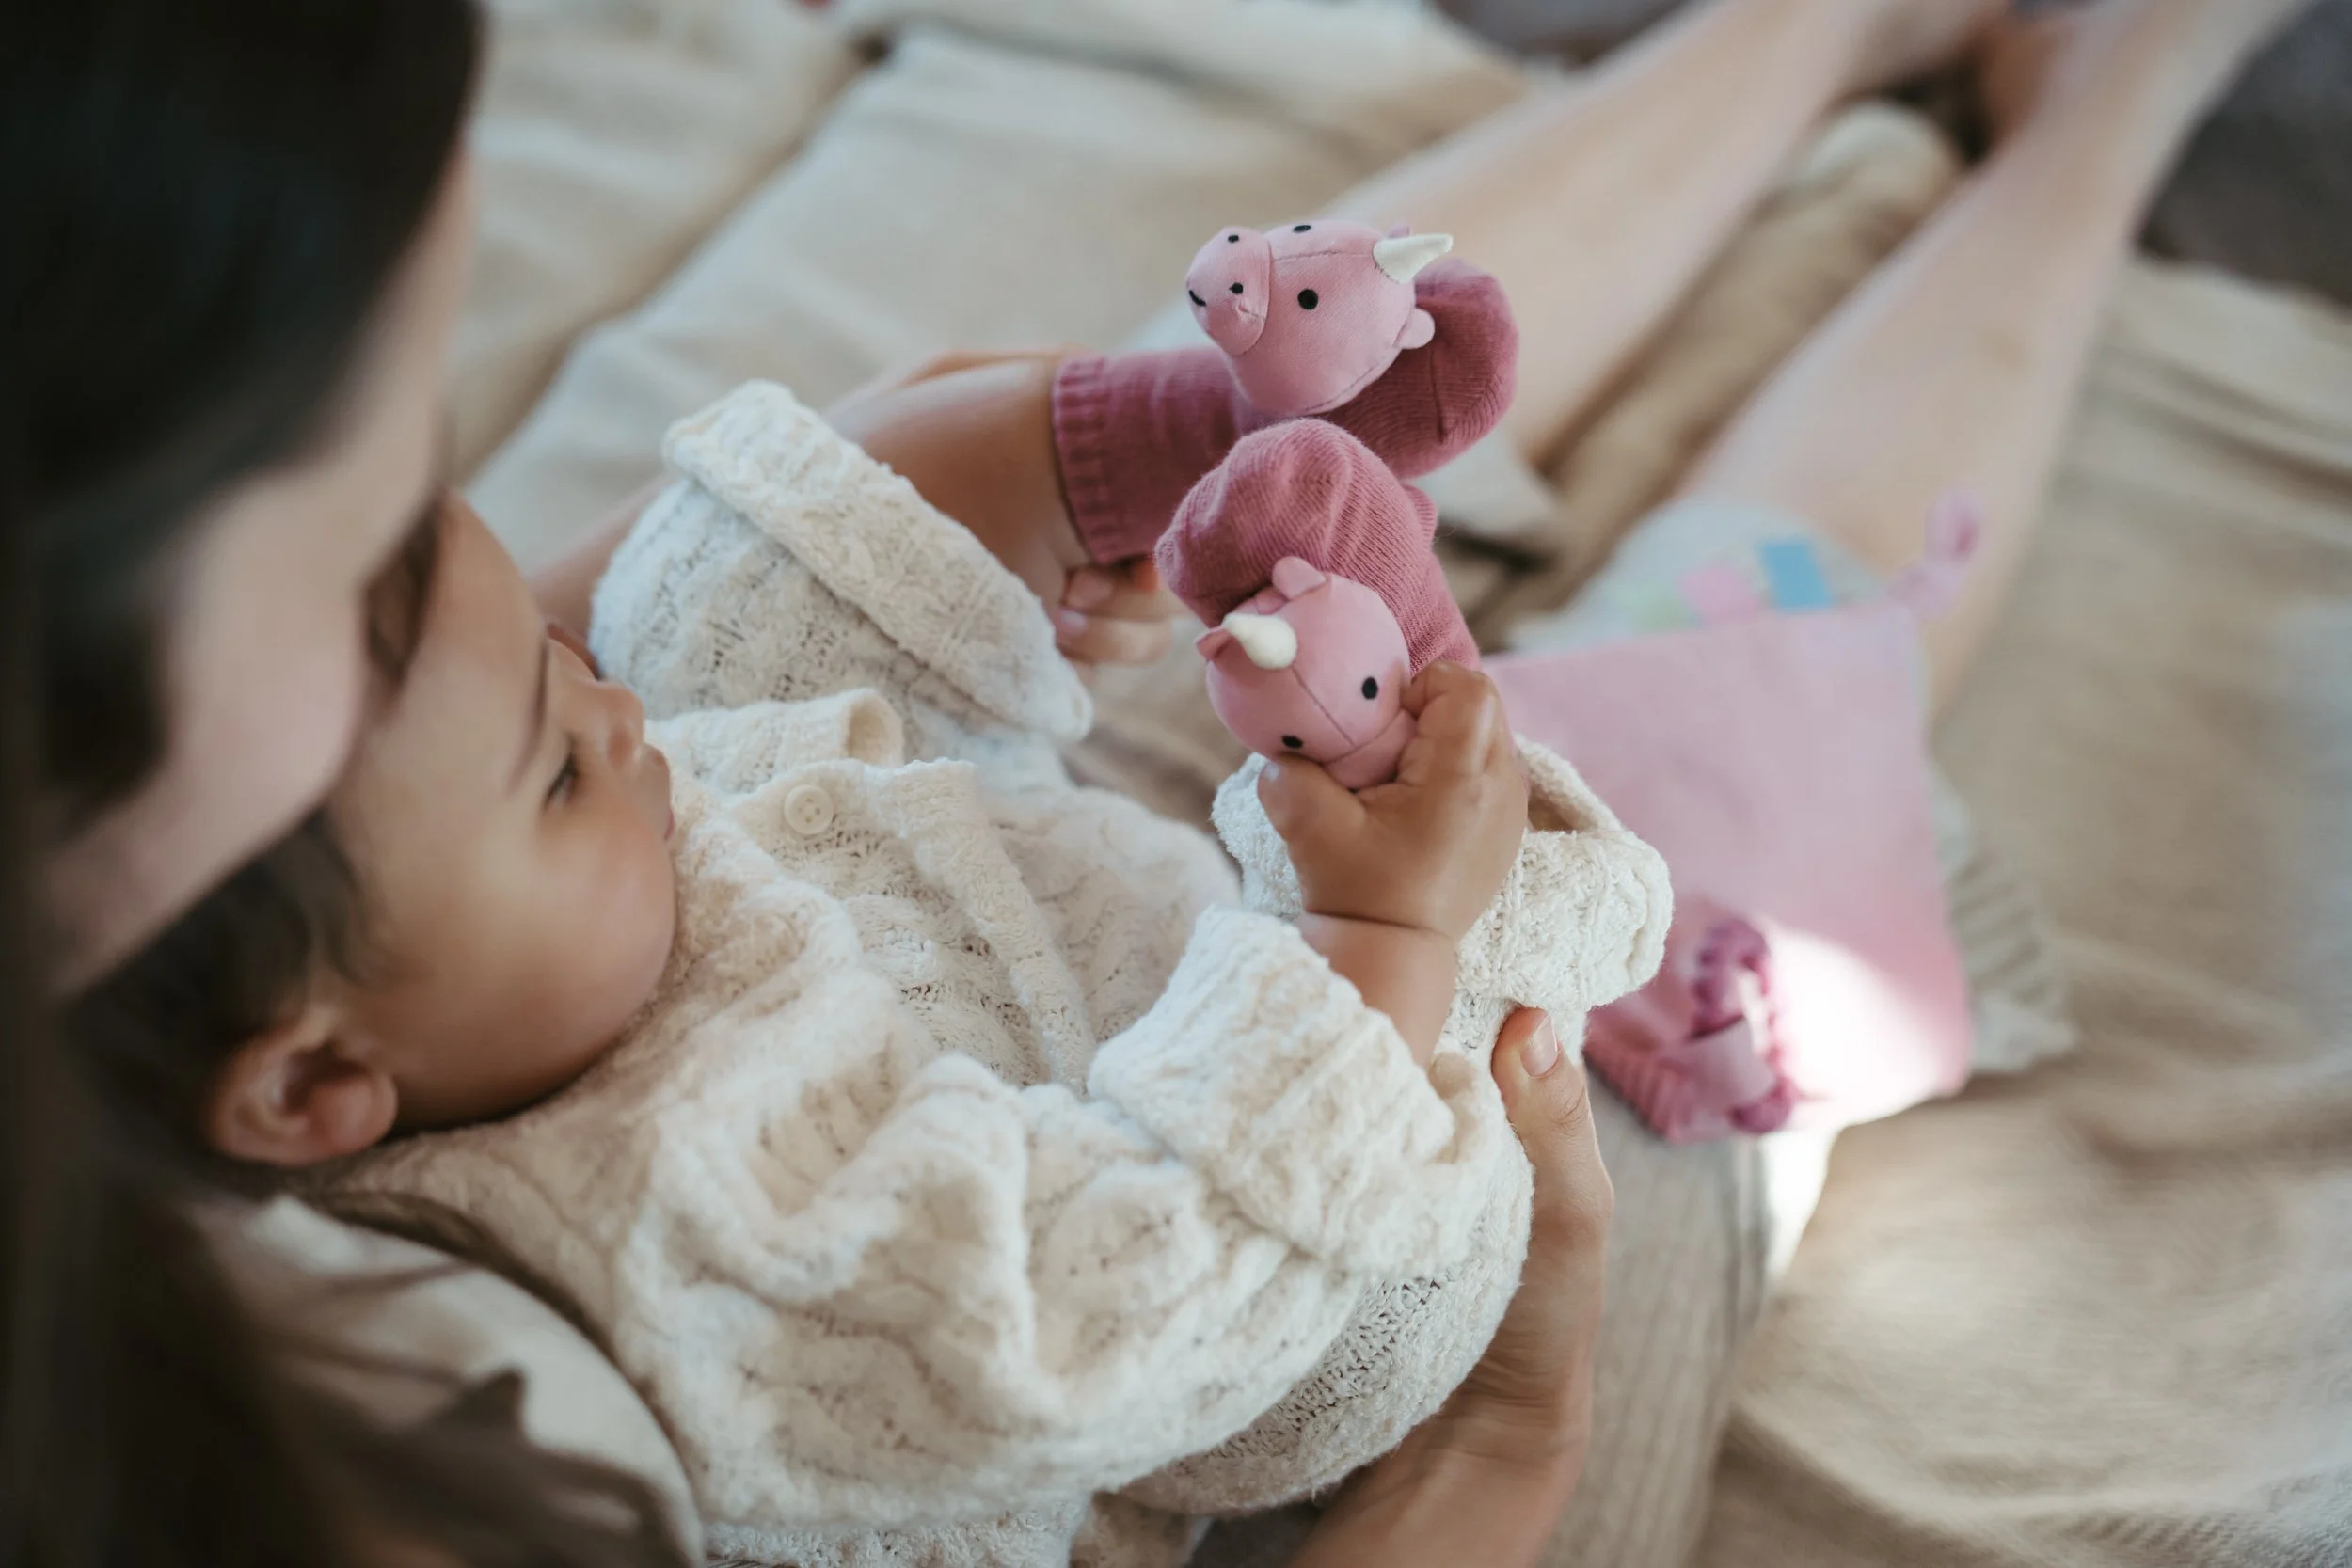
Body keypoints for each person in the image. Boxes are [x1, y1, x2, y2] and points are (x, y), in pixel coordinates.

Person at [0, 0, 2309, 1561]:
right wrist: (1398, 987)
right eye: (359, 511)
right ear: (309, 1088)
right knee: (1729, 748)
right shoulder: (734, 1289)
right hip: (1362, 1259)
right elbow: (1134, 1288)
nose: (586, 685)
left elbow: (650, 645)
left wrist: (1097, 444)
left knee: (1276, 386)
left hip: (1056, 916)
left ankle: (1794, 31)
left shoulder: (464, 904)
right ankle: (2087, 134)